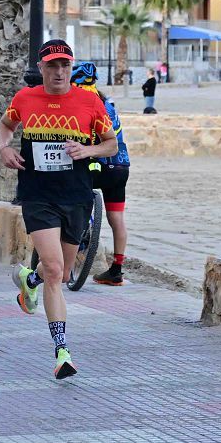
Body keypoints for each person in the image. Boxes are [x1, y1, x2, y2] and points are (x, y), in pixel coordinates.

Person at [0, 40, 117, 379]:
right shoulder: (25, 99)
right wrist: (4, 149)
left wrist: (88, 149)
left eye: (64, 65)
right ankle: (62, 352)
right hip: (38, 195)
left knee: (62, 275)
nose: (59, 71)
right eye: (52, 66)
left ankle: (28, 280)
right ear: (42, 69)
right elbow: (5, 127)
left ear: (71, 66)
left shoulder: (89, 102)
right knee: (53, 268)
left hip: (76, 196)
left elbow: (111, 145)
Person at [70, 62, 131, 286]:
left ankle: (81, 236)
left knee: (76, 200)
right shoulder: (108, 104)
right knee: (117, 218)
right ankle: (116, 269)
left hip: (94, 163)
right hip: (120, 165)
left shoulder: (82, 102)